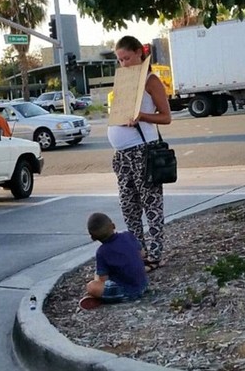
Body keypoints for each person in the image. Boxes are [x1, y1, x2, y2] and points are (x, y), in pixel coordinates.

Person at [107, 35, 172, 272]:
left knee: (151, 204)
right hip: (122, 155)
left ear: (138, 53)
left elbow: (166, 117)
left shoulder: (150, 80)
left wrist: (142, 117)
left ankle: (154, 256)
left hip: (143, 151)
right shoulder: (125, 80)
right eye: (120, 60)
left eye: (126, 58)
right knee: (129, 206)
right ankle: (138, 252)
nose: (123, 64)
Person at [79, 212, 148, 310]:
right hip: (143, 284)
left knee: (92, 286)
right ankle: (102, 296)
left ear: (93, 238)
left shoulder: (102, 252)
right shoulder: (128, 235)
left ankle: (98, 296)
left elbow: (103, 279)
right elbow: (142, 254)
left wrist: (98, 281)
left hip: (127, 291)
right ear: (113, 226)